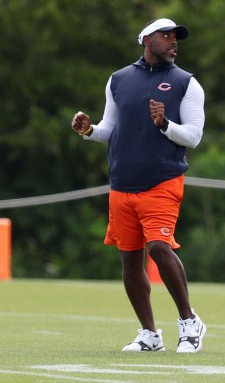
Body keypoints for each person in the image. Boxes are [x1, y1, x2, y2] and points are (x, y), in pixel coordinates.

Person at [71, 18, 207, 351]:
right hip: (121, 184)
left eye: (176, 38)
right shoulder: (118, 79)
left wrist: (165, 125)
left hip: (162, 181)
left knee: (159, 248)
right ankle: (150, 334)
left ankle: (190, 323)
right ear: (147, 39)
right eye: (167, 36)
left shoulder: (186, 83)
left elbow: (194, 136)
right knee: (129, 261)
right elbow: (108, 129)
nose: (174, 41)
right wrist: (88, 131)